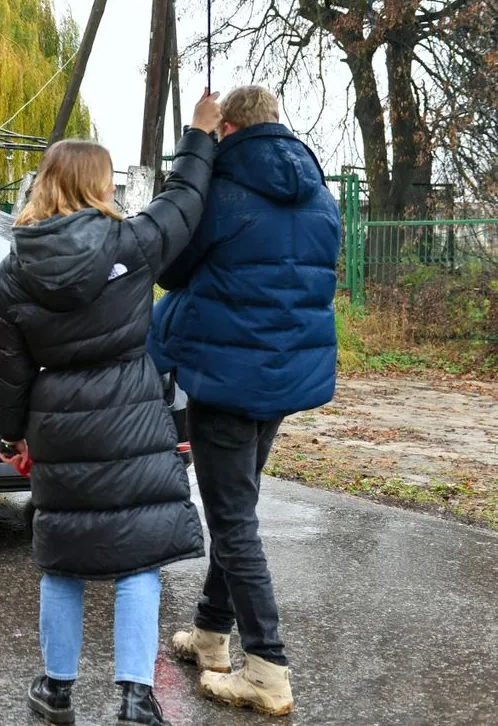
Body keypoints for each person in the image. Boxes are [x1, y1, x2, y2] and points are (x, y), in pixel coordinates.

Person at [0, 92, 223, 726]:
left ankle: (56, 690)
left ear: (46, 184)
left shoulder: (13, 270)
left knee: (63, 557)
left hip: (58, 421)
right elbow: (184, 202)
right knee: (136, 560)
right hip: (130, 412)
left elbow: (8, 368)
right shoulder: (133, 244)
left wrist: (10, 437)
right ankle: (134, 698)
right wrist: (199, 133)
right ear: (99, 184)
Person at [149, 86, 340, 717]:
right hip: (286, 375)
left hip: (227, 374)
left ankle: (267, 669)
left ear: (227, 128)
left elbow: (168, 268)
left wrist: (194, 149)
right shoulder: (319, 193)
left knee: (233, 520)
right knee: (239, 505)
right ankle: (209, 632)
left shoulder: (220, 191)